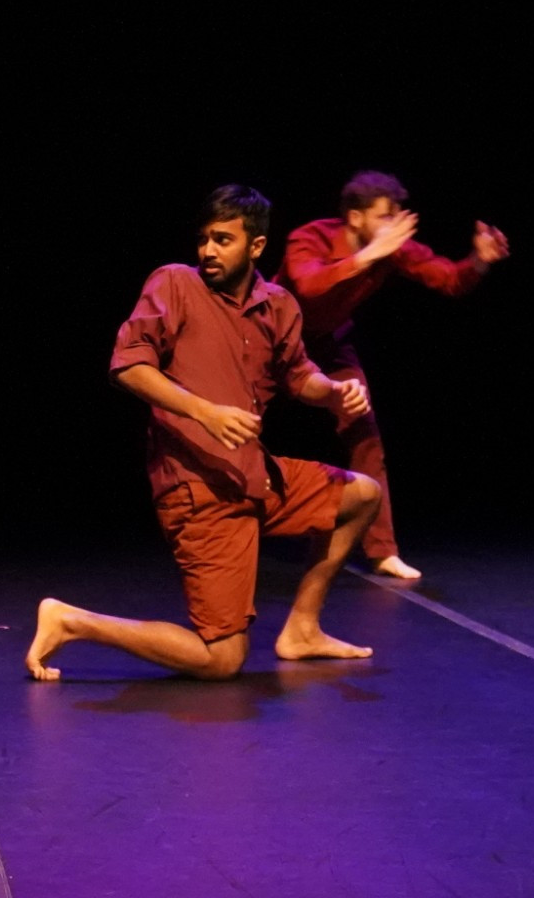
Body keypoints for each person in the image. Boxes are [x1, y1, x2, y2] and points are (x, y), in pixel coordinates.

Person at [26, 186, 381, 683]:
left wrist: (336, 391)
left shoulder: (278, 305)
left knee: (362, 495)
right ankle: (73, 621)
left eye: (222, 240)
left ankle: (302, 629)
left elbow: (300, 376)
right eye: (203, 239)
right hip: (199, 490)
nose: (208, 250)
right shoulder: (175, 283)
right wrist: (204, 412)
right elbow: (128, 366)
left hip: (254, 474)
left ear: (256, 246)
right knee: (222, 658)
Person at [281, 170, 510, 581]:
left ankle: (382, 551)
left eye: (396, 216)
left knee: (365, 435)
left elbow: (447, 278)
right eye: (385, 216)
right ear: (355, 218)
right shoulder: (310, 236)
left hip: (328, 344)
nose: (394, 226)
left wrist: (479, 261)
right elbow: (309, 284)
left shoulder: (389, 248)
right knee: (238, 418)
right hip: (275, 338)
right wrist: (368, 255)